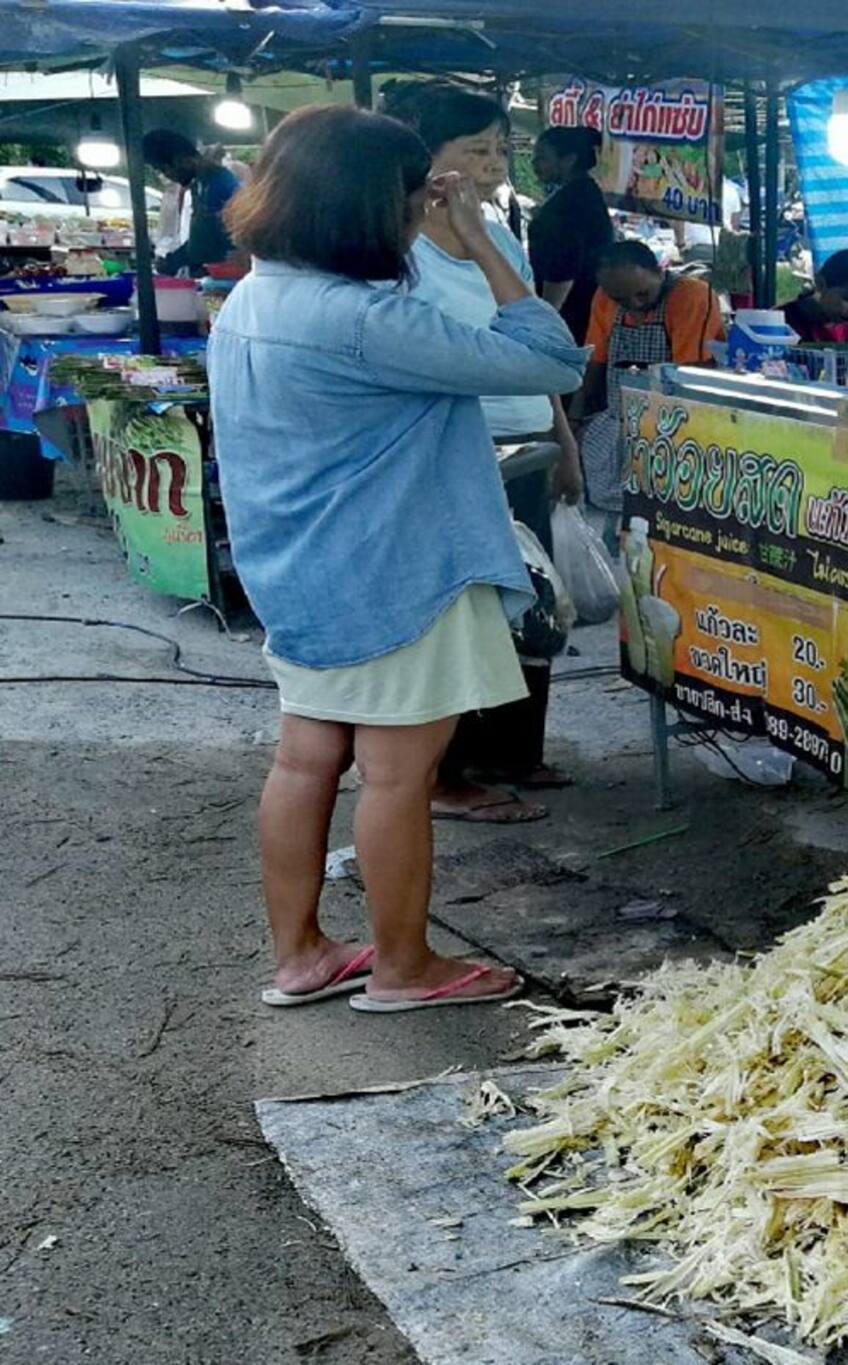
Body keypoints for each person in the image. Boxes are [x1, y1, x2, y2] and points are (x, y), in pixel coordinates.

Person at [209, 105, 585, 1011]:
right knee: (397, 773)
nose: (428, 205)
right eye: (414, 193)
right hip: (395, 571)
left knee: (305, 762)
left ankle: (300, 953)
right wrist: (479, 241)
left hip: (298, 570)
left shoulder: (260, 293)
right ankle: (405, 965)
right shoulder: (361, 320)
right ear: (371, 203)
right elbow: (551, 360)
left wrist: (437, 225)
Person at [387, 84, 587, 820]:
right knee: (467, 608)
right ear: (426, 157)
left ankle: (514, 752)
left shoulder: (500, 232)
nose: (493, 164)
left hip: (527, 438)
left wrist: (563, 437)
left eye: (500, 149)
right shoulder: (399, 245)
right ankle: (449, 773)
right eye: (475, 150)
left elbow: (540, 340)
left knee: (532, 601)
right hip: (455, 447)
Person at [572, 238, 725, 518]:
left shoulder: (692, 297)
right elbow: (595, 362)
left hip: (678, 428)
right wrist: (574, 421)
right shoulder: (605, 297)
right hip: (618, 425)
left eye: (642, 294)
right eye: (621, 299)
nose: (633, 305)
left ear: (659, 271)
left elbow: (689, 377)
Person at [528, 125, 614, 344]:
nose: (534, 164)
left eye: (542, 158)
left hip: (571, 313)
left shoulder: (570, 205)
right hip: (584, 307)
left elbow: (563, 267)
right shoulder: (582, 193)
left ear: (569, 160)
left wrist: (547, 319)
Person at [143, 130, 242, 275]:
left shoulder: (222, 184)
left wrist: (174, 261)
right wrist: (173, 261)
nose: (167, 175)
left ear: (181, 160)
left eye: (164, 169)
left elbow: (209, 244)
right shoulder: (200, 185)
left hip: (228, 276)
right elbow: (199, 241)